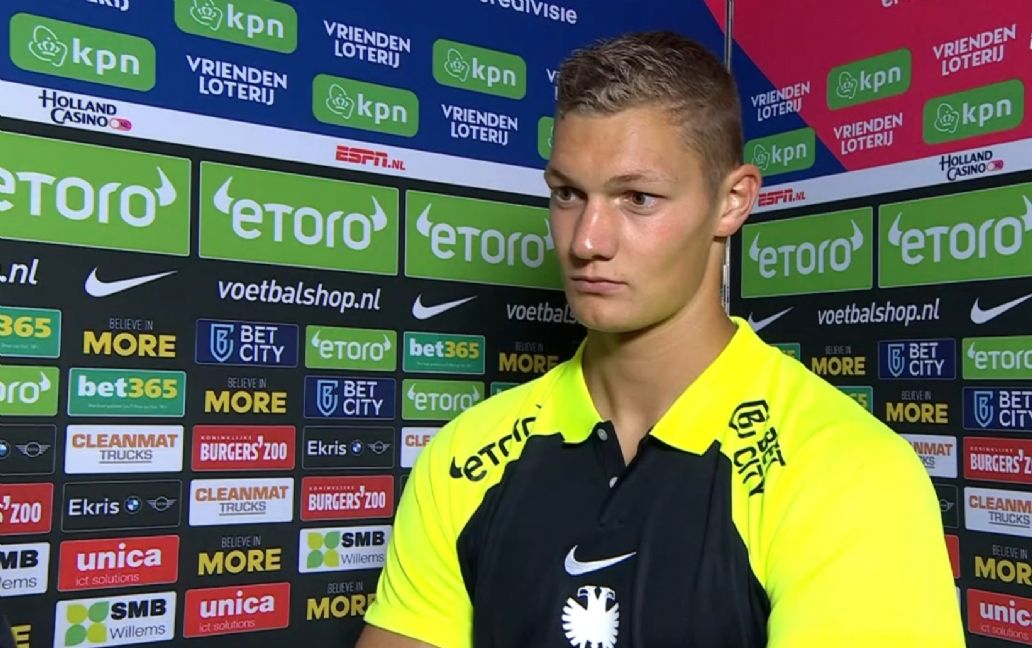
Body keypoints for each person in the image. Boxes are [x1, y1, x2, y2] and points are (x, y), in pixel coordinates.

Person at [356, 30, 966, 648]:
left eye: (637, 198)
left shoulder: (847, 472)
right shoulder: (464, 455)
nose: (586, 240)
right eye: (568, 194)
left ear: (732, 202)